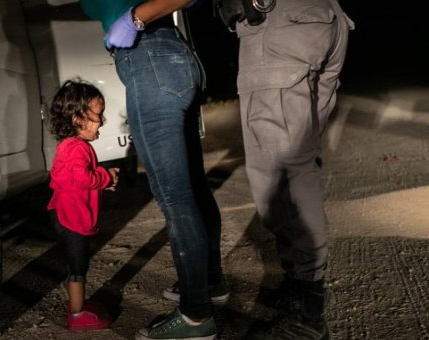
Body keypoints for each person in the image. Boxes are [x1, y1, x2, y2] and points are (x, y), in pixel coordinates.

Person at [79, 1, 228, 339]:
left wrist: (134, 19)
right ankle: (210, 282)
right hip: (173, 58)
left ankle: (195, 316)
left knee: (175, 197)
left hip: (149, 61)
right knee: (192, 188)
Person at [217, 0, 354, 338]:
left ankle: (306, 317)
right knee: (298, 162)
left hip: (282, 21)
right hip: (321, 18)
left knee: (281, 174)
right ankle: (300, 287)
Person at [47, 79, 120, 332]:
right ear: (78, 119)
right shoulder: (76, 149)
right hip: (71, 219)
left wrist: (101, 180)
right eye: (98, 115)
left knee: (77, 265)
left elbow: (74, 179)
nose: (102, 121)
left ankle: (78, 305)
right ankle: (77, 315)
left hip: (65, 215)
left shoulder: (71, 147)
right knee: (78, 268)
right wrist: (105, 177)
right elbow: (82, 178)